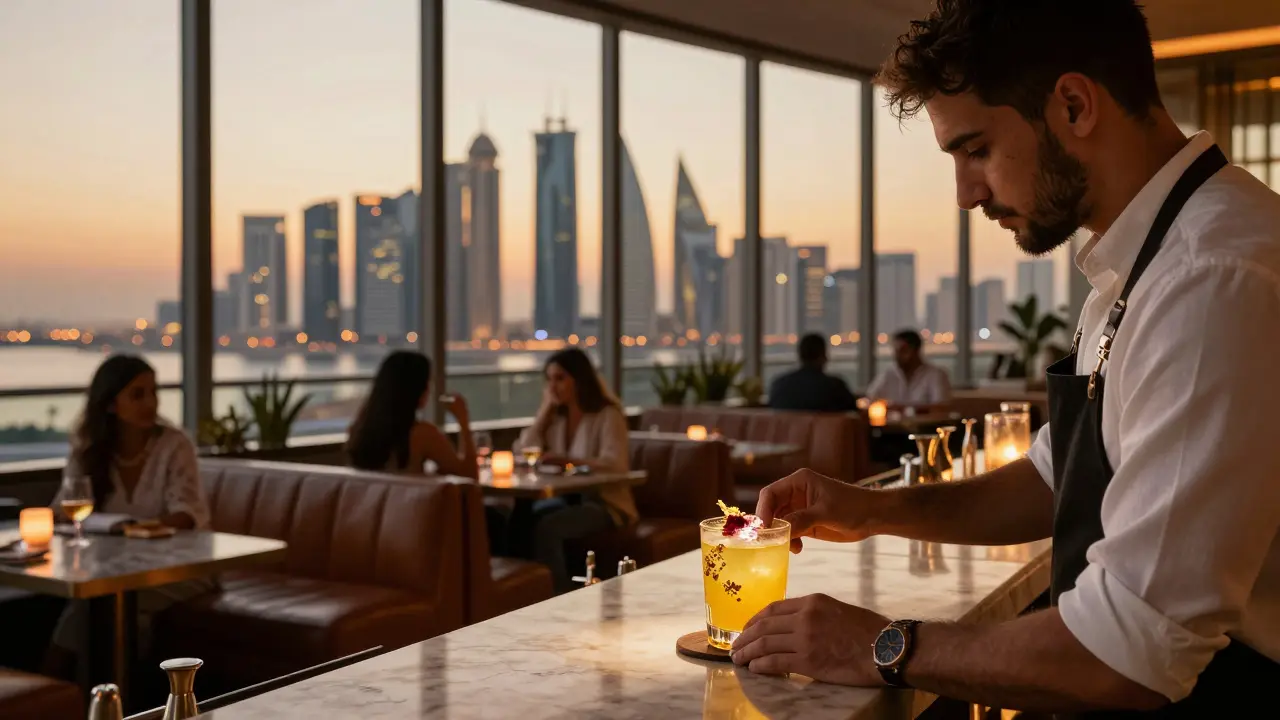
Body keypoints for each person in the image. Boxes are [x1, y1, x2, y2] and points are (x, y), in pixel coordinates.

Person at [729, 1, 1280, 715]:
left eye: (976, 150)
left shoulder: (1212, 279)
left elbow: (1128, 654)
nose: (965, 195)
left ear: (1074, 105)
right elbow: (1055, 479)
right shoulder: (1140, 267)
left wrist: (877, 645)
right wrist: (870, 509)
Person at [47, 355, 213, 674]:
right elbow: (63, 510)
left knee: (102, 605)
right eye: (137, 394)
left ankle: (61, 685)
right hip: (112, 569)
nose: (150, 402)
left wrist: (131, 530)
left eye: (153, 392)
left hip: (182, 569)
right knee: (99, 605)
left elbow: (186, 515)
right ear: (111, 404)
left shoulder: (174, 445)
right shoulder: (90, 450)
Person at [513, 348, 635, 593]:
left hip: (604, 503)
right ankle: (526, 594)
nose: (553, 386)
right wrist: (544, 411)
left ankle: (558, 596)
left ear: (579, 379)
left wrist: (567, 460)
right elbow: (522, 450)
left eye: (560, 378)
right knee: (520, 519)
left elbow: (615, 463)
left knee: (548, 528)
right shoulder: (556, 418)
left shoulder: (607, 414)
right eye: (549, 379)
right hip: (567, 499)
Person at [346, 351, 476, 479]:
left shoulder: (356, 432)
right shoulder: (423, 434)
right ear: (418, 390)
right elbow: (469, 479)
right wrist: (463, 420)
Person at [767, 334, 860, 412]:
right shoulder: (835, 388)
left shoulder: (779, 386)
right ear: (823, 357)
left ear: (800, 356)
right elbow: (853, 414)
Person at [864, 329, 952, 410]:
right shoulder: (888, 375)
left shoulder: (936, 375)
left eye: (903, 350)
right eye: (896, 351)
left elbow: (941, 407)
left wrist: (902, 409)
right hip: (892, 422)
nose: (897, 356)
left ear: (916, 350)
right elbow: (869, 399)